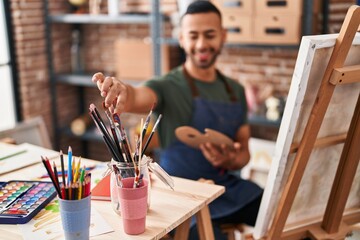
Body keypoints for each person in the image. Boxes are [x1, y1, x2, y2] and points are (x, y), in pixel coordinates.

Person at [92, 1, 263, 239]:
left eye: (210, 35)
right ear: (181, 38)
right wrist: (123, 91)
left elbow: (244, 153)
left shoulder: (235, 91)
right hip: (179, 192)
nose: (202, 44)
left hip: (225, 187)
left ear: (223, 36)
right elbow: (137, 96)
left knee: (279, 210)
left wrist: (232, 158)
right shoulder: (167, 86)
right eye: (193, 36)